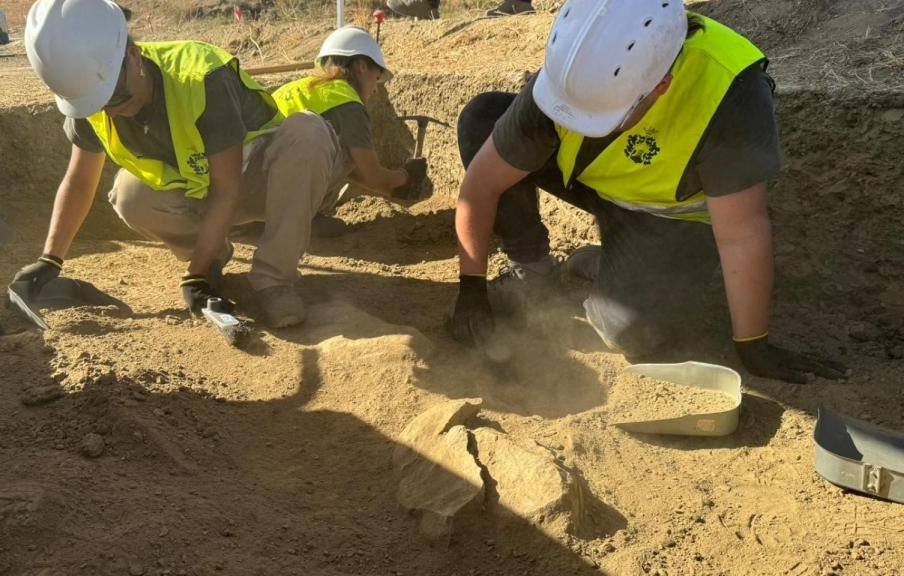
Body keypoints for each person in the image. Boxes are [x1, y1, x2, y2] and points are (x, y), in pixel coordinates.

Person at [447, 0, 847, 383]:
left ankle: (607, 265)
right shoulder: (574, 71)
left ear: (661, 86)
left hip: (665, 218)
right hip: (595, 181)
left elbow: (742, 231)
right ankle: (533, 272)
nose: (580, 126)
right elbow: (481, 186)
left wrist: (752, 343)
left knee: (630, 334)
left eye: (602, 117)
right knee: (484, 119)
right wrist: (471, 290)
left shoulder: (730, 93)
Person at [11, 0, 343, 328]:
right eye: (95, 103)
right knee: (129, 195)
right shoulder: (91, 96)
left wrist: (193, 276)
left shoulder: (202, 77)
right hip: (199, 190)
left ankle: (273, 281)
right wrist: (49, 260)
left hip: (262, 180)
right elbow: (79, 181)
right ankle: (212, 256)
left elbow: (226, 190)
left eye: (114, 99)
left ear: (132, 56)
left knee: (308, 131)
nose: (109, 112)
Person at [271, 26, 428, 213]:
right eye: (376, 78)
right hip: (280, 201)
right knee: (345, 153)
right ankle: (307, 218)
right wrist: (407, 177)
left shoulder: (293, 89)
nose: (376, 89)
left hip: (253, 191)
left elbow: (352, 173)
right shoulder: (347, 103)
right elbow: (372, 176)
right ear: (362, 66)